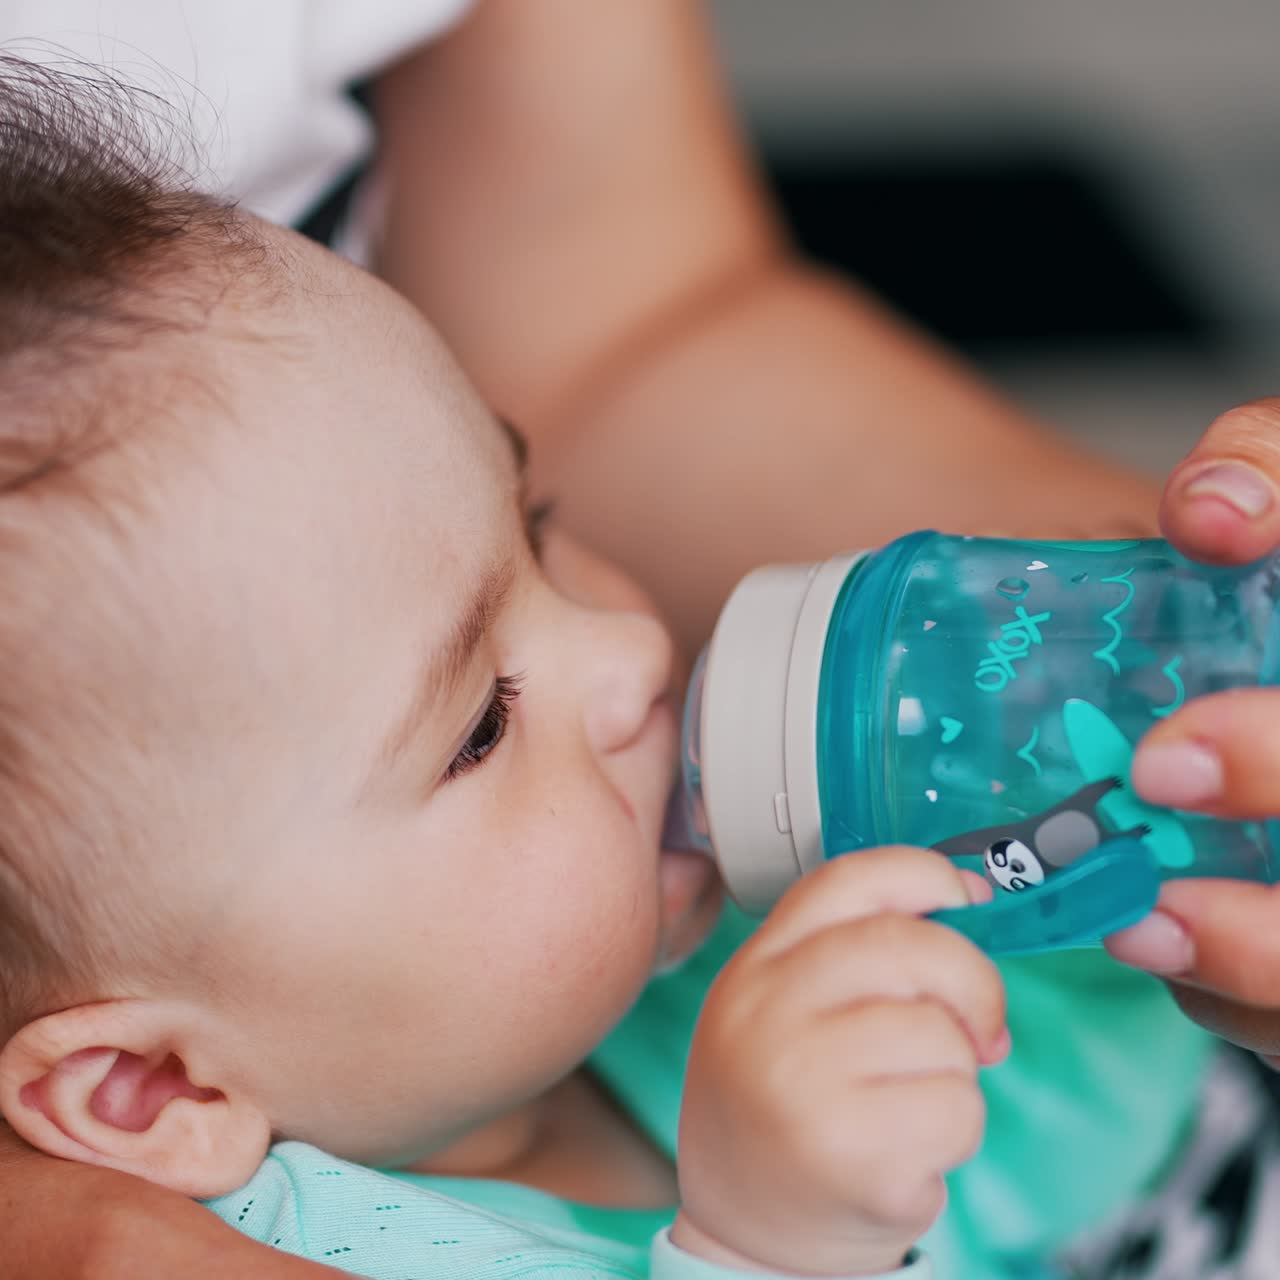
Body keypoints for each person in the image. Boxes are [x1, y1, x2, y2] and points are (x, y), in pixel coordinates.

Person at [0, 58, 1214, 1280]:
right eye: (479, 723)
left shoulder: (661, 977)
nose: (631, 646)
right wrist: (767, 1247)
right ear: (148, 1089)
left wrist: (1097, 758)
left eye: (537, 525)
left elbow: (1090, 1119)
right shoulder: (242, 1253)